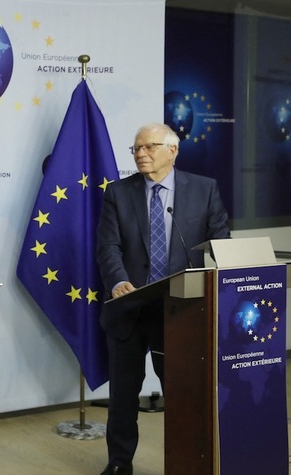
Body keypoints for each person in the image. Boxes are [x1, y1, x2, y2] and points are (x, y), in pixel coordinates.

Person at [95, 123, 230, 475]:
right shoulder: (118, 193)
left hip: (181, 309)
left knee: (184, 392)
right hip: (130, 307)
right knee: (123, 395)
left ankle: (189, 462)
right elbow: (108, 246)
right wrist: (118, 281)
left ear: (173, 150)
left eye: (149, 147)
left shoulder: (204, 190)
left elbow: (222, 243)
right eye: (136, 149)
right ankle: (119, 463)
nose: (140, 153)